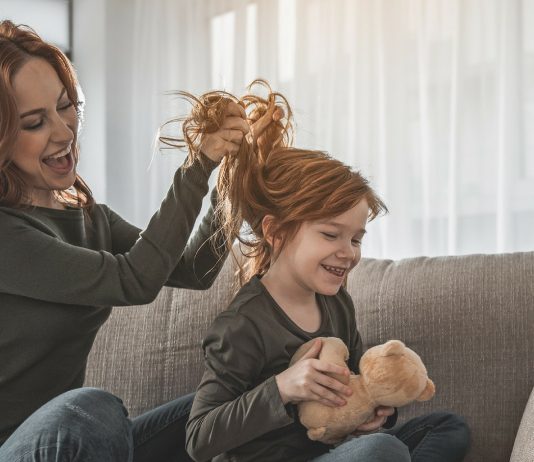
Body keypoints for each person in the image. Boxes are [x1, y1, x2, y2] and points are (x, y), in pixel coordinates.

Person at [0, 20, 280, 462]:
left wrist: (234, 178)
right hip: (23, 447)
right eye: (35, 122)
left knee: (230, 412)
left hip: (77, 444)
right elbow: (135, 280)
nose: (64, 131)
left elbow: (191, 270)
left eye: (66, 106)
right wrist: (197, 166)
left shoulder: (89, 219)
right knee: (91, 408)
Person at [184, 87, 471, 461]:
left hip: (336, 451)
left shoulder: (337, 304)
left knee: (446, 426)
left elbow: (352, 386)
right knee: (383, 451)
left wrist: (374, 413)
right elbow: (199, 436)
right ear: (275, 232)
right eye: (331, 234)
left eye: (356, 238)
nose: (348, 252)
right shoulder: (243, 323)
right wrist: (283, 387)